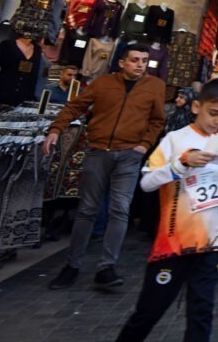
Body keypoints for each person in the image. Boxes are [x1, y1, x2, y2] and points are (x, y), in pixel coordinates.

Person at [115, 79, 218, 341]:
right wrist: (181, 164)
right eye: (213, 113)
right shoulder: (175, 139)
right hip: (174, 243)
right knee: (148, 311)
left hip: (212, 242)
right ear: (196, 107)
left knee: (201, 314)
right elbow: (147, 183)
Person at [43, 43, 166, 290]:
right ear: (122, 62)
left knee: (120, 210)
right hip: (99, 152)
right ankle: (72, 265)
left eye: (144, 60)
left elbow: (157, 120)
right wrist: (56, 129)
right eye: (135, 60)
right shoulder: (102, 83)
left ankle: (106, 267)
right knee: (87, 209)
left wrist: (144, 144)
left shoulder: (155, 86)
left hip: (129, 155)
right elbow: (75, 106)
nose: (140, 64)